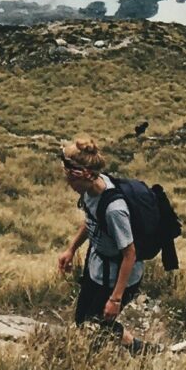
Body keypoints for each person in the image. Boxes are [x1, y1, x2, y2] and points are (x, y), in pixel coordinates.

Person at [55, 137, 137, 332]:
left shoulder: (115, 210)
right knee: (82, 321)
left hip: (115, 276)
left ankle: (140, 348)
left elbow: (130, 254)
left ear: (87, 175)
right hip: (97, 267)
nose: (69, 184)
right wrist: (71, 249)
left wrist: (115, 299)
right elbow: (92, 220)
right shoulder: (89, 190)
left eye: (72, 180)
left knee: (97, 329)